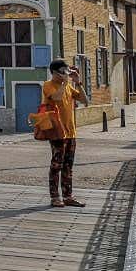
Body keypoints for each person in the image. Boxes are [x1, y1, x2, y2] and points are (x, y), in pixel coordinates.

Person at [43, 59, 89, 208]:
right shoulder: (48, 85)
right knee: (56, 165)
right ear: (54, 72)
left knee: (68, 166)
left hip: (70, 132)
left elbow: (85, 100)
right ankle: (55, 197)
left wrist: (78, 82)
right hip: (57, 132)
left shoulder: (69, 86)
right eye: (63, 71)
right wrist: (63, 83)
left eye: (66, 71)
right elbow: (56, 98)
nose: (66, 74)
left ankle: (68, 196)